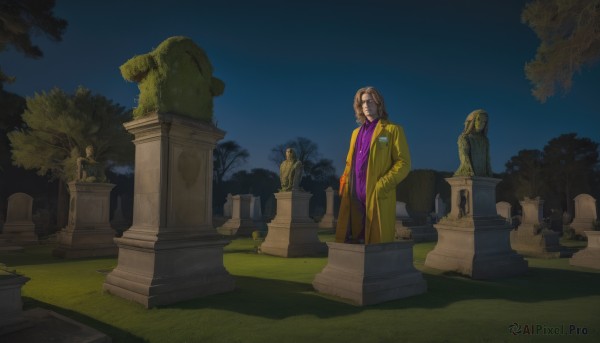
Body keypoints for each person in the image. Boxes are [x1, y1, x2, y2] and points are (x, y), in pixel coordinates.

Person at [335, 87, 411, 244]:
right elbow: (350, 163)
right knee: (352, 244)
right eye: (363, 102)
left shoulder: (393, 130)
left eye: (370, 101)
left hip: (377, 197)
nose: (366, 105)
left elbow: (403, 163)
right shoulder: (355, 133)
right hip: (354, 199)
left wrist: (382, 186)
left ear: (378, 104)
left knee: (376, 248)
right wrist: (344, 182)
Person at [454, 109, 493, 177]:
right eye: (479, 120)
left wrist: (489, 173)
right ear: (472, 121)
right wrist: (470, 171)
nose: (481, 123)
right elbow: (464, 157)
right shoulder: (464, 138)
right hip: (470, 172)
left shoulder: (485, 140)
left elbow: (487, 159)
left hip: (483, 174)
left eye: (484, 122)